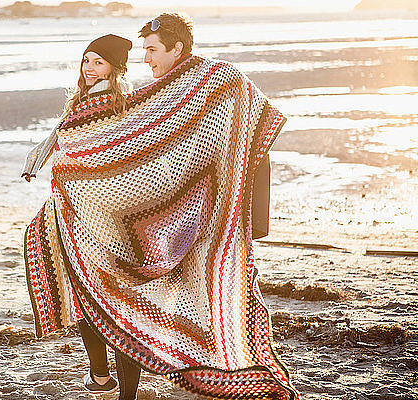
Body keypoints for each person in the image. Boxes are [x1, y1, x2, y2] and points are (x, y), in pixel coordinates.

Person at [23, 14, 299, 400]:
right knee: (101, 293)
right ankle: (105, 377)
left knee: (132, 300)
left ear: (177, 49)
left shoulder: (214, 79)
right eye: (145, 50)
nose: (147, 58)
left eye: (152, 50)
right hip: (142, 212)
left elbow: (247, 122)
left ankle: (119, 383)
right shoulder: (159, 92)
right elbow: (143, 149)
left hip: (187, 214)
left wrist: (243, 203)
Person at [21, 33, 141, 399]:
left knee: (95, 297)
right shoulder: (111, 99)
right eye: (86, 60)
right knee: (107, 299)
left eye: (98, 62)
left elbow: (94, 150)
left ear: (115, 68)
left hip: (94, 216)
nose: (89, 68)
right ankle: (104, 378)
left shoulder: (107, 100)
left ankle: (106, 378)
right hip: (100, 212)